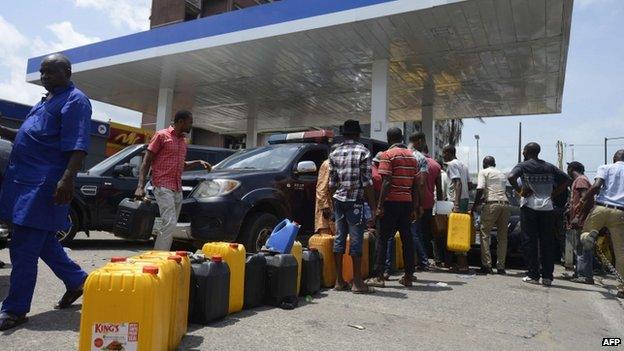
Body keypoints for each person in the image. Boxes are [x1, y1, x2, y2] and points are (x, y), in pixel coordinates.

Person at [0, 54, 90, 330]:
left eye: (50, 72)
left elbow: (78, 145)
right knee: (44, 242)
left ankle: (15, 309)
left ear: (67, 71)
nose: (45, 77)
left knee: (24, 247)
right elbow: (29, 136)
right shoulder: (45, 101)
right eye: (42, 72)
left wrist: (67, 180)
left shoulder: (75, 100)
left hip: (44, 185)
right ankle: (78, 281)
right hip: (22, 182)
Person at [135, 110, 211, 251]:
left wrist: (199, 162)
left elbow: (181, 165)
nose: (191, 125)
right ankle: (160, 257)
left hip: (177, 187)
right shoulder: (161, 136)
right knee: (169, 223)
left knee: (170, 224)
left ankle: (162, 254)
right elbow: (146, 162)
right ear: (181, 121)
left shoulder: (183, 141)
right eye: (190, 122)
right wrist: (140, 186)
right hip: (162, 185)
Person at [508, 142, 571, 286]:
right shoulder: (549, 166)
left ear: (525, 152)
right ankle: (547, 277)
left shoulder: (523, 166)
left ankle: (533, 275)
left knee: (529, 241)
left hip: (529, 207)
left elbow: (511, 177)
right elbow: (567, 180)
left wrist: (520, 191)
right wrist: (553, 194)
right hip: (548, 208)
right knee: (547, 242)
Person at [366, 127, 420, 287]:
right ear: (401, 138)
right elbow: (416, 185)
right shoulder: (412, 157)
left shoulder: (387, 155)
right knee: (407, 239)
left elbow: (387, 181)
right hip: (407, 202)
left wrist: (379, 206)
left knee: (383, 239)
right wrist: (415, 207)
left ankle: (379, 276)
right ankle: (409, 276)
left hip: (390, 202)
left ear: (389, 139)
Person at [328, 120, 376, 294]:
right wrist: (373, 207)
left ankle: (339, 281)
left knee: (339, 238)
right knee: (356, 240)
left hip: (339, 200)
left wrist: (334, 203)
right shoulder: (363, 151)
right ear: (357, 134)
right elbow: (368, 183)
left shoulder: (334, 152)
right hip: (355, 201)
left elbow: (331, 182)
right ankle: (357, 283)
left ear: (344, 134)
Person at [578, 150, 624, 298]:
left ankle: (589, 237)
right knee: (620, 252)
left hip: (601, 207)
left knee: (585, 233)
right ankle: (622, 286)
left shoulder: (606, 167)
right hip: (620, 212)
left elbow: (597, 186)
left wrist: (583, 200)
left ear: (614, 158)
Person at [472, 156, 511, 275]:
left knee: (484, 234)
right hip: (505, 204)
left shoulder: (484, 172)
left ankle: (487, 265)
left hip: (492, 205)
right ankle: (501, 266)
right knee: (503, 237)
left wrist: (475, 205)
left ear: (484, 164)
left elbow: (480, 189)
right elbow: (497, 191)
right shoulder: (502, 174)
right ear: (495, 163)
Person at [410, 133, 438, 271]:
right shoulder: (434, 164)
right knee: (421, 233)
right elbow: (423, 184)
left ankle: (418, 260)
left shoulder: (408, 155)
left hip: (408, 200)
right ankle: (423, 260)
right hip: (425, 203)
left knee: (412, 232)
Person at [442, 145, 471, 273]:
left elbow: (457, 182)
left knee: (456, 231)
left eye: (444, 153)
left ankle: (461, 265)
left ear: (449, 153)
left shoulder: (452, 164)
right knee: (460, 231)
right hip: (464, 199)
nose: (443, 156)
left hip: (455, 200)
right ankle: (457, 264)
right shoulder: (463, 165)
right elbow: (469, 184)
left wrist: (456, 203)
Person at [565, 161, 594, 284]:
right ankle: (580, 273)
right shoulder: (580, 180)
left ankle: (584, 275)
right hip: (580, 218)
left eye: (568, 169)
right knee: (579, 247)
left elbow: (586, 198)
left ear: (571, 169)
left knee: (582, 247)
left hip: (582, 220)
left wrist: (578, 216)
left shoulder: (581, 180)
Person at [315, 154, 335, 236]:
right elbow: (321, 188)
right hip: (327, 208)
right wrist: (325, 207)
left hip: (335, 206)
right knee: (326, 239)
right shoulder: (328, 164)